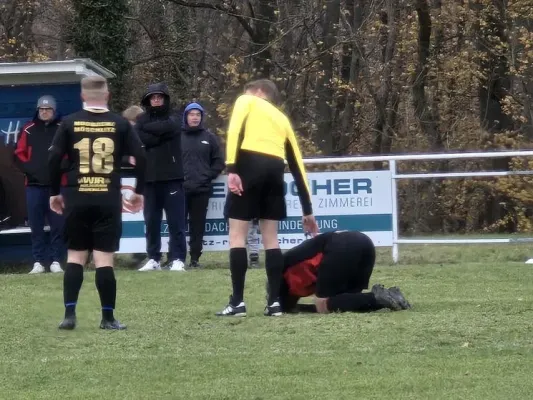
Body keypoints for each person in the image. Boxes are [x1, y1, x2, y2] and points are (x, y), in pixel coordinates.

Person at [48, 76, 146, 330]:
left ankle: (69, 315)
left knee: (75, 256)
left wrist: (54, 193)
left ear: (82, 97)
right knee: (104, 259)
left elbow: (53, 158)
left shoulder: (69, 122)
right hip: (107, 198)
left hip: (77, 196)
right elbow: (142, 156)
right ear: (108, 96)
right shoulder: (121, 123)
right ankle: (108, 317)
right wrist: (139, 191)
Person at [216, 79, 319, 318]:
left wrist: (231, 168)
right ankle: (274, 303)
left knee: (237, 236)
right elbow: (297, 164)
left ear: (259, 92)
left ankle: (238, 303)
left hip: (248, 166)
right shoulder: (282, 119)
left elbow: (234, 131)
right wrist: (307, 209)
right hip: (274, 172)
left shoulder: (246, 101)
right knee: (271, 240)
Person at [275, 231, 411, 314]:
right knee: (349, 301)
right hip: (364, 242)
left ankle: (376, 299)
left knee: (323, 304)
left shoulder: (283, 273)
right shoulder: (288, 265)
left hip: (340, 247)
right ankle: (391, 296)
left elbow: (288, 306)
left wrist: (291, 308)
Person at [136, 83, 187, 272]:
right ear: (148, 100)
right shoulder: (141, 119)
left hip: (173, 177)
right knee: (151, 221)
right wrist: (160, 134)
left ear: (165, 98)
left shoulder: (175, 116)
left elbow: (171, 127)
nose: (156, 99)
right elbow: (140, 136)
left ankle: (178, 258)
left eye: (159, 96)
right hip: (149, 179)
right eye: (152, 97)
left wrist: (151, 132)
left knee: (176, 222)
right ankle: (153, 258)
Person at [14, 95, 65, 274]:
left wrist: (60, 170)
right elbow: (18, 154)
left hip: (57, 187)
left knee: (58, 225)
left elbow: (69, 154)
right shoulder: (28, 129)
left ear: (54, 110)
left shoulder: (62, 128)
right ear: (38, 110)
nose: (44, 112)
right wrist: (30, 170)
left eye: (48, 109)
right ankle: (38, 261)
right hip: (34, 185)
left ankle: (56, 260)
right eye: (41, 109)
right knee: (35, 225)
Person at [181, 102, 224, 268]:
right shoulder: (177, 137)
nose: (194, 117)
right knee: (178, 226)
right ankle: (176, 258)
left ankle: (195, 259)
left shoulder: (209, 137)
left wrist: (208, 176)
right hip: (180, 189)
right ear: (186, 117)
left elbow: (219, 161)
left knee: (197, 226)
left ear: (201, 117)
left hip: (202, 190)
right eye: (191, 114)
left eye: (197, 115)